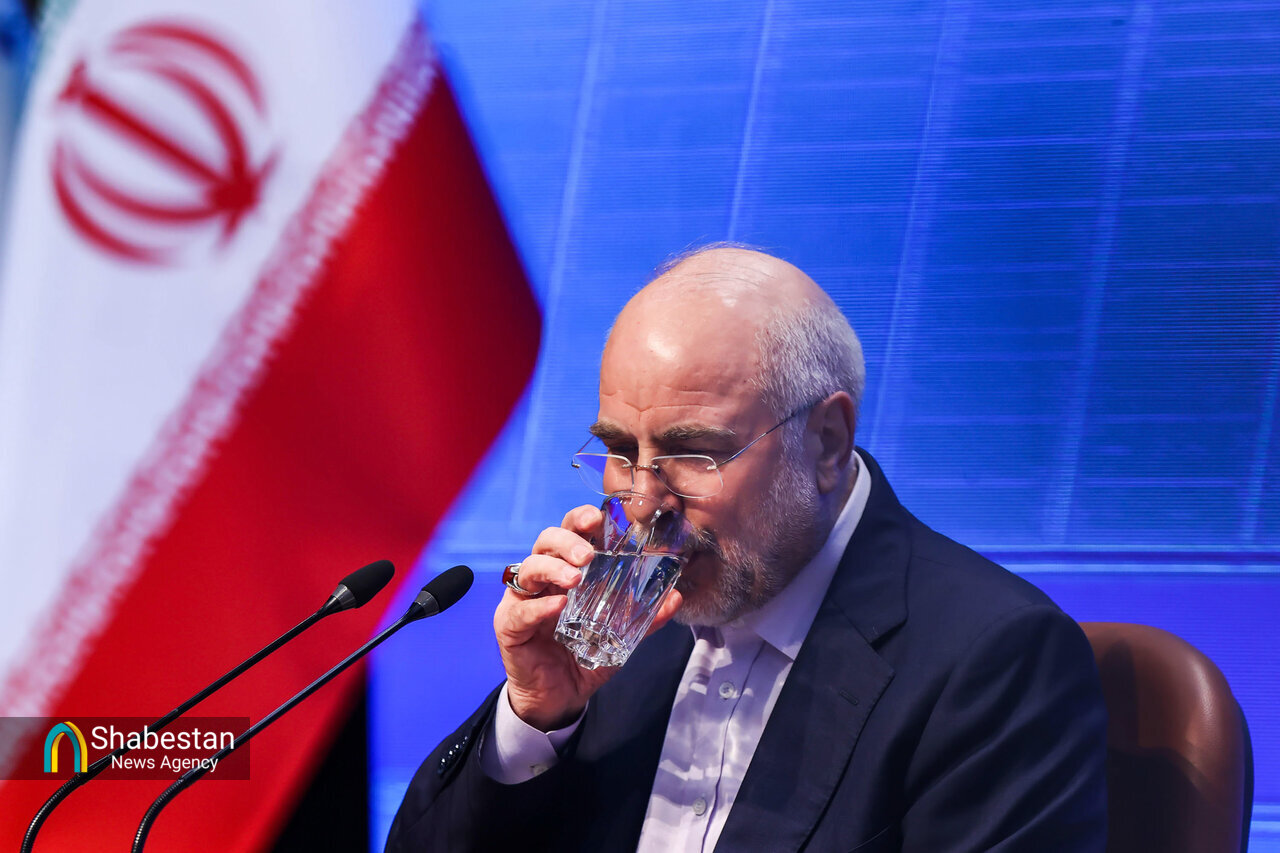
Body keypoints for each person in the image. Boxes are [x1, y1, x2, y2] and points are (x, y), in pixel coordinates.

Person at [386, 246, 1108, 852]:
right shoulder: (618, 627)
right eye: (619, 451)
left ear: (826, 442)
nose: (643, 498)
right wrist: (537, 717)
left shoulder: (994, 660)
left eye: (692, 452)